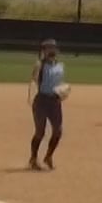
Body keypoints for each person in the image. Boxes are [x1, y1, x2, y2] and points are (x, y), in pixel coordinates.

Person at [28, 39, 68, 171]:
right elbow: (34, 79)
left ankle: (48, 156)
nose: (51, 50)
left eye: (53, 48)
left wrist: (63, 90)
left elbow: (59, 82)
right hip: (42, 100)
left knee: (58, 131)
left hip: (55, 101)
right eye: (48, 48)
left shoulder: (60, 66)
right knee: (40, 132)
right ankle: (33, 159)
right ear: (43, 51)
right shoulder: (40, 65)